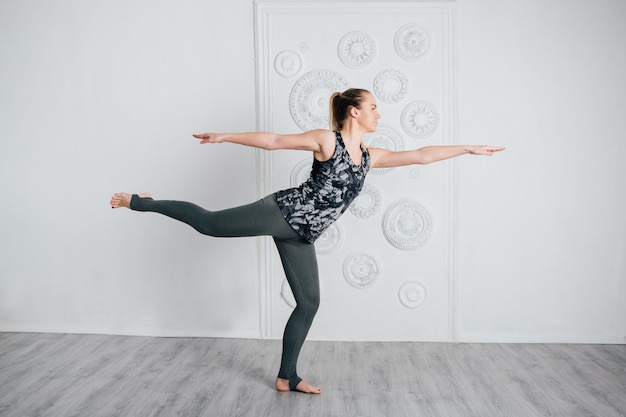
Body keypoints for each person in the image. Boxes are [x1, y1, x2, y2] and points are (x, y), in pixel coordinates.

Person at [110, 88, 505, 394]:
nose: (378, 114)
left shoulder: (369, 156)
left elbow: (420, 155)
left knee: (309, 302)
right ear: (355, 111)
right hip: (281, 211)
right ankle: (141, 202)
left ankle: (287, 377)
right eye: (374, 108)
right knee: (210, 224)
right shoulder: (327, 140)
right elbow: (275, 141)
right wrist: (226, 136)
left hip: (303, 234)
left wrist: (467, 148)